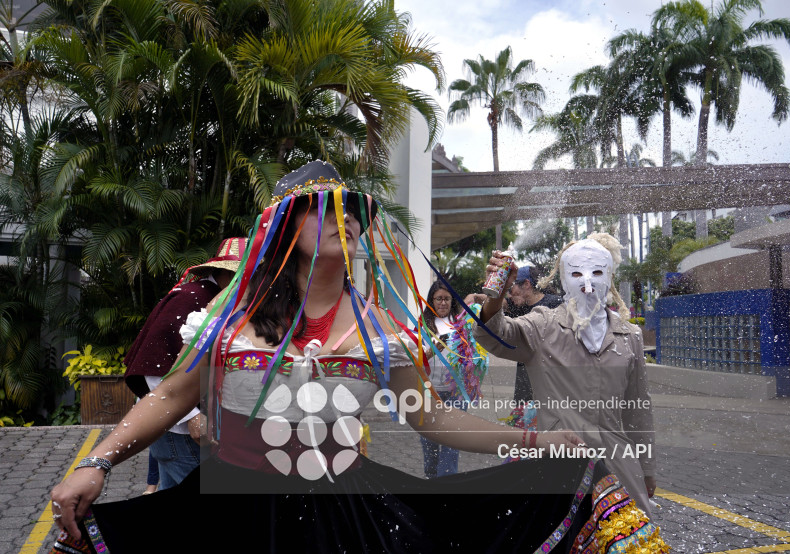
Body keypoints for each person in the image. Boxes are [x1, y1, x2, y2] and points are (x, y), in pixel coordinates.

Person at [50, 162, 667, 553]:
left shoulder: (379, 328)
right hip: (233, 510)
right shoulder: (231, 315)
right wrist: (98, 463)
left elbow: (431, 418)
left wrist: (534, 444)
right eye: (320, 208)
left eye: (348, 210)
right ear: (283, 225)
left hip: (348, 512)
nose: (340, 219)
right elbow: (170, 395)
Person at [475, 233, 659, 521]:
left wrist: (646, 468)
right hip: (560, 466)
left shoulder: (630, 336)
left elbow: (638, 409)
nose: (587, 282)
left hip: (618, 466)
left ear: (609, 276)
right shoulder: (543, 325)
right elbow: (496, 334)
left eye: (597, 272)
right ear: (563, 279)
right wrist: (496, 295)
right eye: (576, 273)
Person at [122, 237, 245, 490]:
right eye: (243, 276)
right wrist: (193, 417)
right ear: (224, 272)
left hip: (187, 427)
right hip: (182, 430)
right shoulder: (192, 297)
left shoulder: (224, 299)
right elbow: (154, 366)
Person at [418, 280, 488, 478]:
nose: (443, 303)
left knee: (452, 440)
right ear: (431, 300)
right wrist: (432, 351)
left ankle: (447, 482)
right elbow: (414, 359)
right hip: (430, 391)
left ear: (452, 301)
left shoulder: (460, 321)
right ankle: (431, 477)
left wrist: (476, 297)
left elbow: (487, 303)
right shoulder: (422, 325)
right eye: (438, 299)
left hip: (456, 391)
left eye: (447, 299)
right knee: (429, 440)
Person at [504, 265, 563, 403]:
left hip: (550, 381)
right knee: (521, 414)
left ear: (526, 284)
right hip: (524, 383)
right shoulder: (519, 306)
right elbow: (498, 304)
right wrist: (475, 297)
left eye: (510, 288)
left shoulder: (555, 304)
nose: (509, 294)